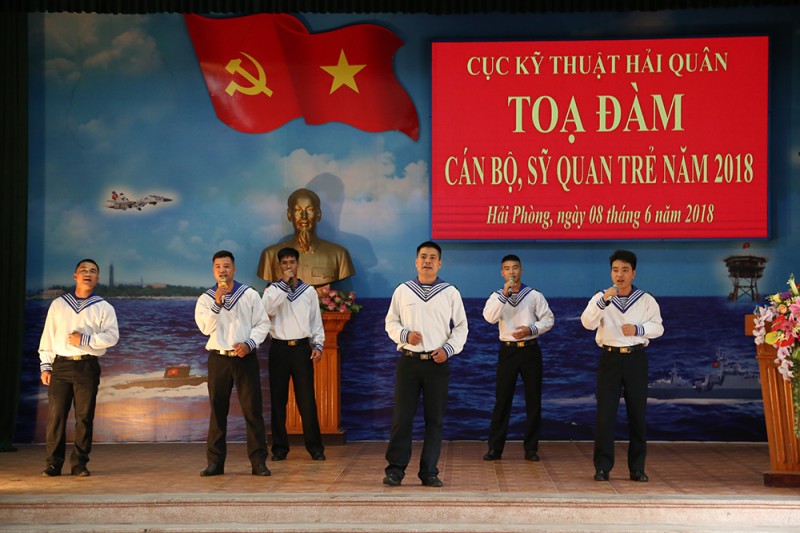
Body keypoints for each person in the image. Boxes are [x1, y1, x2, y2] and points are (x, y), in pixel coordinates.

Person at [383, 241, 468, 488]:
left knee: (435, 420)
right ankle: (395, 470)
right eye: (423, 256)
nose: (427, 261)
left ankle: (429, 472)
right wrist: (405, 335)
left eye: (432, 257)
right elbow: (391, 322)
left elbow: (461, 327)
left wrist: (448, 350)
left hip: (437, 364)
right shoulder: (403, 290)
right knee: (402, 418)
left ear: (440, 263)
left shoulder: (450, 292)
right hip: (409, 362)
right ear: (416, 261)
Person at [580, 249, 664, 483]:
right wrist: (603, 301)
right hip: (610, 359)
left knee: (637, 414)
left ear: (633, 273)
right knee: (605, 415)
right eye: (616, 270)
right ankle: (602, 467)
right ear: (611, 273)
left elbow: (658, 327)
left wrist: (638, 329)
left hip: (636, 358)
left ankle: (637, 469)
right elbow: (587, 323)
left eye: (625, 270)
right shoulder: (601, 298)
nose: (620, 275)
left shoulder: (646, 299)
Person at [38, 259, 119, 477]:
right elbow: (48, 335)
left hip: (87, 365)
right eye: (83, 270)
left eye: (92, 271)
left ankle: (79, 463)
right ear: (75, 276)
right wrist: (46, 365)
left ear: (97, 278)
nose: (87, 274)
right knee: (56, 416)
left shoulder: (103, 307)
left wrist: (85, 339)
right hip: (61, 365)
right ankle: (53, 463)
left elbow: (112, 337)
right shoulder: (59, 304)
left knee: (84, 417)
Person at [195, 250, 271, 477]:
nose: (223, 271)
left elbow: (263, 324)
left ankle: (258, 462)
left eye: (226, 266)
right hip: (219, 358)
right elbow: (205, 328)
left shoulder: (249, 294)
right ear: (213, 270)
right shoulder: (206, 299)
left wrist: (249, 343)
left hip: (244, 358)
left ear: (234, 269)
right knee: (218, 411)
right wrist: (217, 303)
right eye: (218, 267)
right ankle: (215, 463)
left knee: (252, 410)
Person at [482, 254, 554, 462]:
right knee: (502, 400)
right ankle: (495, 448)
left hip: (530, 350)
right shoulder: (496, 296)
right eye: (507, 268)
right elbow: (489, 318)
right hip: (508, 351)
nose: (511, 272)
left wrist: (531, 329)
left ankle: (531, 448)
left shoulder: (534, 295)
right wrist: (504, 296)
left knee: (533, 400)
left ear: (521, 270)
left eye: (515, 268)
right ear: (502, 273)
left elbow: (548, 319)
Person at [262, 247, 326, 461]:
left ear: (298, 264)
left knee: (306, 399)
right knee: (278, 400)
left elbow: (315, 321)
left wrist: (318, 345)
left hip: (301, 349)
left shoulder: (308, 291)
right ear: (279, 266)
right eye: (284, 263)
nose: (288, 266)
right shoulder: (272, 290)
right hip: (279, 348)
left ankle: (315, 448)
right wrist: (284, 285)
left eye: (292, 262)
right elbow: (267, 311)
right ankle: (280, 448)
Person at [257, 188, 355, 289]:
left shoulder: (339, 255)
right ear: (289, 215)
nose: (304, 216)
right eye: (298, 210)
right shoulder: (270, 255)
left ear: (318, 214)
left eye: (310, 210)